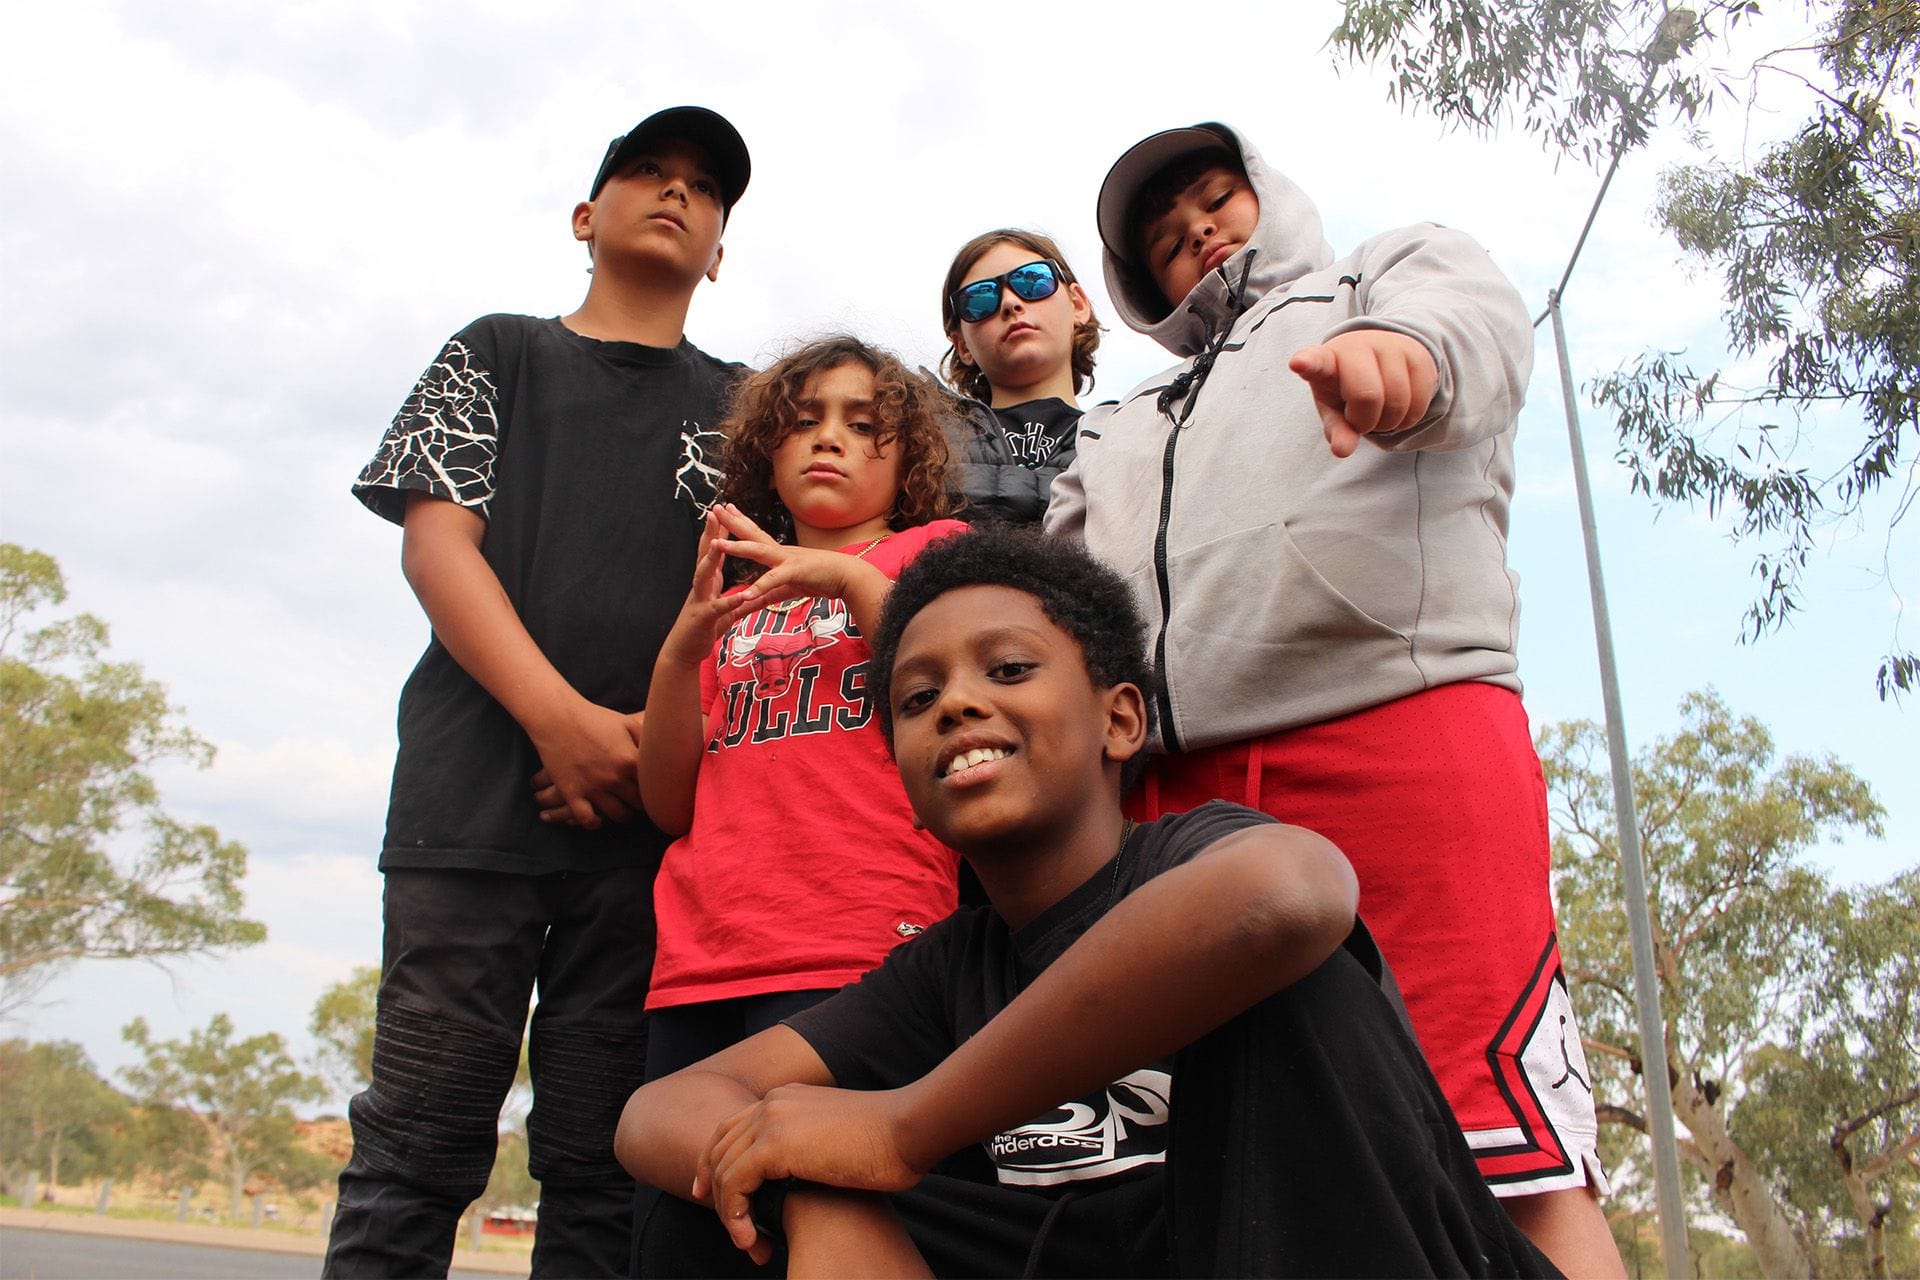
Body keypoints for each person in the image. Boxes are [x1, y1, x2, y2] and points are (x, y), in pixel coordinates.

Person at [614, 527, 1560, 1278]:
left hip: (1321, 1245)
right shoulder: (947, 970)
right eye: (915, 697)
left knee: (1288, 989)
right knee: (715, 1209)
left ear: (1119, 720)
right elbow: (661, 1109)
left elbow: (1288, 895)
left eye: (1009, 669)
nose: (955, 705)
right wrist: (820, 1189)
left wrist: (903, 1128)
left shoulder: (1197, 858)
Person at [1046, 121, 1623, 1276]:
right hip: (1173, 800)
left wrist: (1405, 355)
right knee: (1200, 1167)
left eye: (1215, 199)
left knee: (1499, 1137)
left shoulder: (1379, 276)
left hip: (1396, 735)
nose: (1196, 232)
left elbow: (1476, 329)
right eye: (1162, 238)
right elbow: (1064, 599)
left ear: (1268, 190)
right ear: (1139, 284)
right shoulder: (1114, 425)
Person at [327, 106, 750, 1279]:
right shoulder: (499, 350)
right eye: (649, 173)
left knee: (601, 1160)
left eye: (705, 189)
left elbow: (764, 608)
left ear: (720, 248)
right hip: (469, 812)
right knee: (417, 1139)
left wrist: (644, 748)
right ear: (586, 215)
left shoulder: (751, 407)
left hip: (650, 834)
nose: (676, 193)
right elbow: (436, 547)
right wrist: (562, 724)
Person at [629, 334, 967, 1080]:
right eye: (804, 418)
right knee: (680, 1179)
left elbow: (946, 690)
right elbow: (668, 805)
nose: (829, 438)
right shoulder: (734, 596)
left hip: (864, 939)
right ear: (766, 452)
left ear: (908, 456)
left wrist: (848, 583)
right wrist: (679, 656)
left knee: (822, 1177)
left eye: (862, 422)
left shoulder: (935, 553)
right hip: (701, 954)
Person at [936, 230, 1100, 525]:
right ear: (962, 345)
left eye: (1033, 281)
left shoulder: (1125, 433)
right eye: (980, 299)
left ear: (1077, 304)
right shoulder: (926, 440)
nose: (1010, 303)